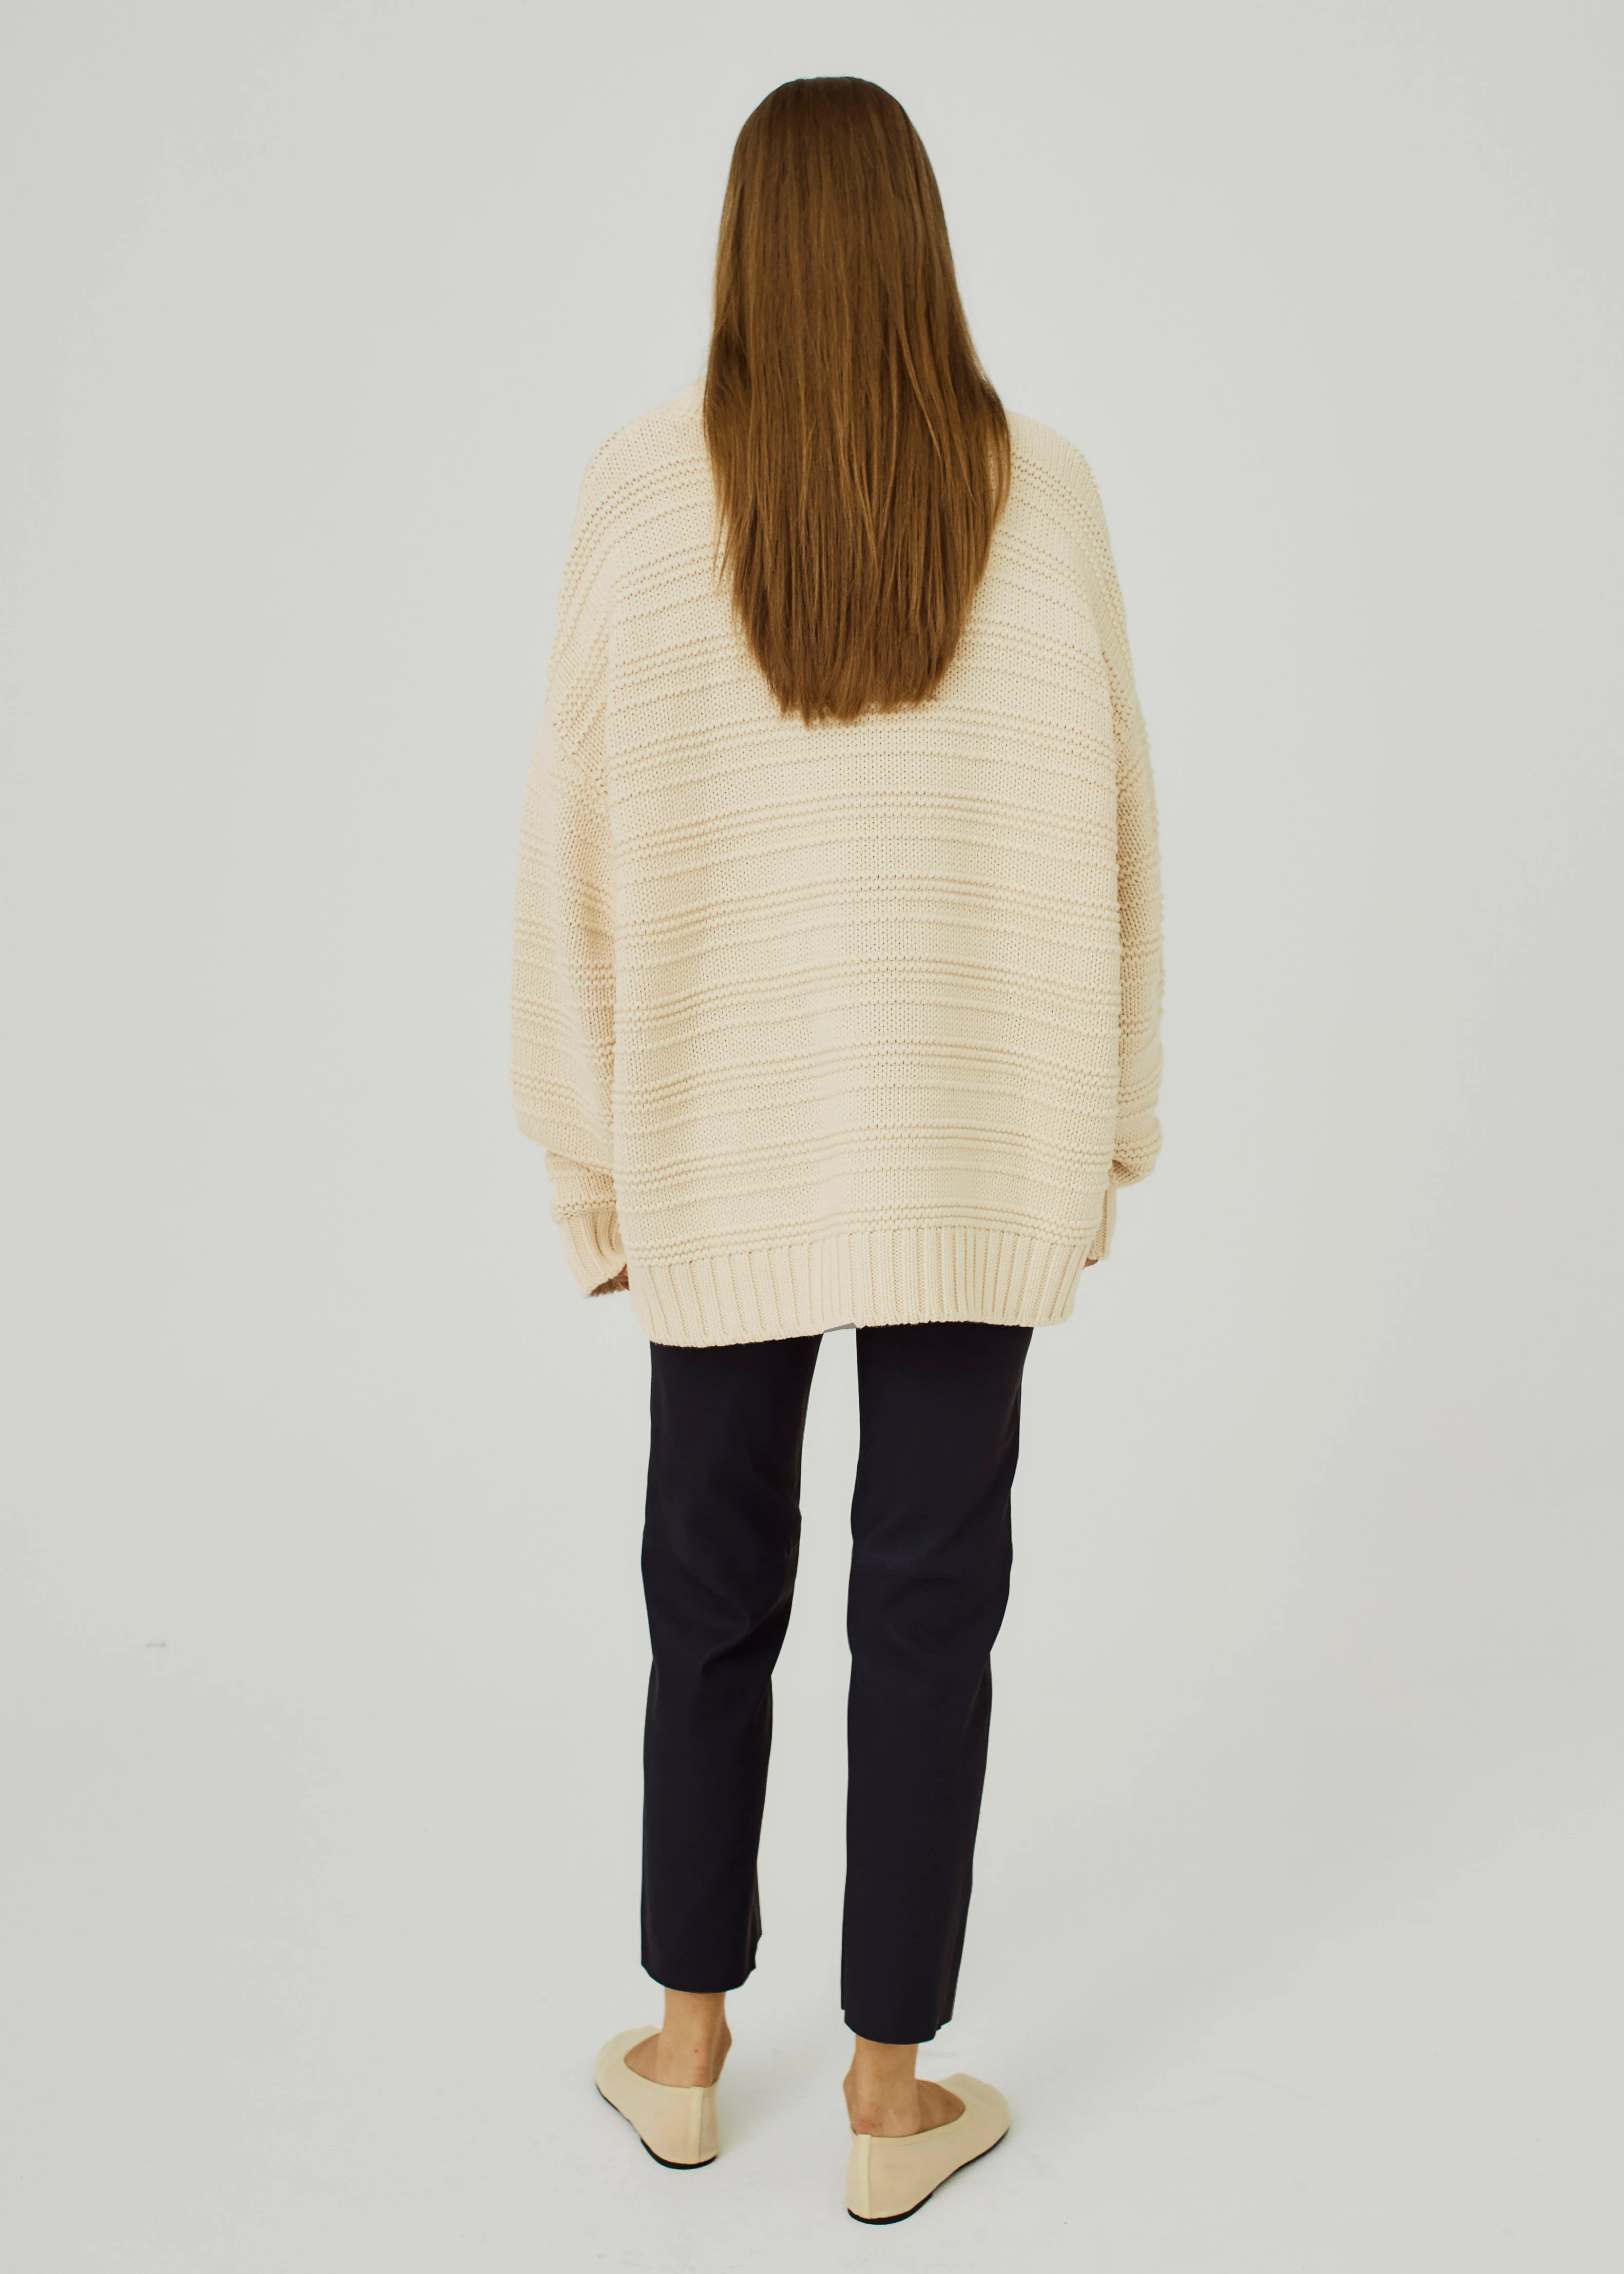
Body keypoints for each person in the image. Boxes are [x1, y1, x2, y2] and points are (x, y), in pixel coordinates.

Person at [510, 75, 1164, 2225]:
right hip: (970, 1140)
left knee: (706, 1594)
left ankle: (686, 2051)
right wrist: (1100, 1132)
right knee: (930, 1598)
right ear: (916, 241)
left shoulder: (640, 491)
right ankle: (890, 2092)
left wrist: (593, 1166)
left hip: (720, 1145)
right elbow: (1117, 830)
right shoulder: (1042, 492)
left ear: (743, 249)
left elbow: (570, 852)